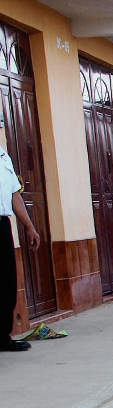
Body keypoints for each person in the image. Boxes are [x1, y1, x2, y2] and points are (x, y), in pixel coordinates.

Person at [1, 142, 40, 352]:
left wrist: (30, 227)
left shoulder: (4, 157)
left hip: (2, 224)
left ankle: (2, 337)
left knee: (6, 282)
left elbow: (15, 195)